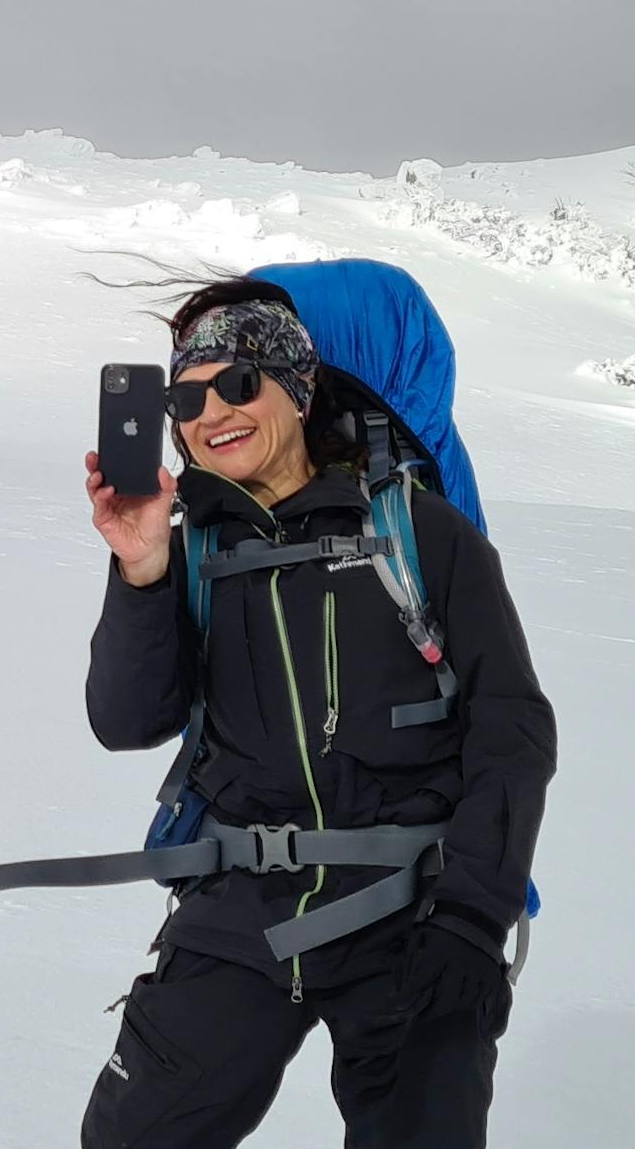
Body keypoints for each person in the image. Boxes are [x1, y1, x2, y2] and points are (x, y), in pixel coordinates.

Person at [78, 278, 556, 1149]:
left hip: (412, 910)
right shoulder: (192, 546)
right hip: (238, 905)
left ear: (296, 389)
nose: (207, 411)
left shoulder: (421, 532)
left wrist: (472, 915)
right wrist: (141, 570)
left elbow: (512, 729)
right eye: (186, 395)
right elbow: (126, 720)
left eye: (236, 384)